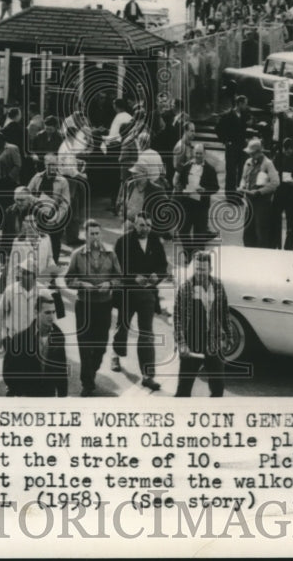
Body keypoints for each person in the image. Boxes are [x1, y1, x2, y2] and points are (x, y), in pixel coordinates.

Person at [110, 212, 169, 392]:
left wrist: (156, 276)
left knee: (147, 334)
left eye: (148, 226)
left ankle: (147, 375)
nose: (145, 229)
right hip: (127, 293)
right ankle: (116, 354)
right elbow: (116, 268)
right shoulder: (123, 242)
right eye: (142, 225)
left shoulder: (155, 241)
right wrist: (133, 277)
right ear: (135, 225)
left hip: (147, 295)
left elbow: (163, 266)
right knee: (123, 327)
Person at [65, 220, 121, 396]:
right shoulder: (77, 255)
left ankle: (92, 370)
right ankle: (87, 383)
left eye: (97, 233)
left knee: (101, 345)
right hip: (84, 305)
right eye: (92, 234)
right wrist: (81, 283)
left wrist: (109, 283)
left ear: (101, 234)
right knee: (84, 345)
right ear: (85, 235)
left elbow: (119, 278)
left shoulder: (111, 254)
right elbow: (68, 280)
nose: (95, 237)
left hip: (104, 305)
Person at [174, 251, 232, 398]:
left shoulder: (218, 285)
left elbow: (224, 312)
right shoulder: (185, 288)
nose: (199, 272)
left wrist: (229, 336)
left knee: (218, 388)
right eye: (197, 269)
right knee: (183, 390)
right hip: (192, 344)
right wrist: (181, 344)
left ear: (210, 269)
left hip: (214, 344)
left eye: (203, 269)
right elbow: (177, 319)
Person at [2, 294, 68, 398]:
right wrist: (17, 391)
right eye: (47, 313)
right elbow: (8, 371)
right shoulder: (19, 339)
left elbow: (61, 369)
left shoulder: (59, 337)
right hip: (26, 395)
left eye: (53, 312)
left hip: (48, 395)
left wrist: (62, 396)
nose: (52, 317)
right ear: (36, 313)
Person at [26, 153, 70, 263]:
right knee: (38, 241)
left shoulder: (63, 181)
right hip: (39, 214)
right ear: (45, 165)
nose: (52, 167)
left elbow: (65, 203)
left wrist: (57, 218)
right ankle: (38, 266)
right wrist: (36, 201)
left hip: (55, 216)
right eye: (49, 164)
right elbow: (27, 193)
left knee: (54, 242)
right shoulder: (37, 177)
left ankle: (53, 268)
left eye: (54, 164)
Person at [173, 143, 219, 242]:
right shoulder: (187, 166)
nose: (198, 156)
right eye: (196, 153)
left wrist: (205, 190)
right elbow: (180, 182)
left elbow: (215, 187)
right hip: (187, 205)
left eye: (200, 154)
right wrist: (181, 190)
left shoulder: (210, 169)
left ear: (204, 154)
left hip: (201, 207)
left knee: (199, 236)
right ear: (194, 153)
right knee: (183, 232)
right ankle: (189, 254)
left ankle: (197, 255)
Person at [239, 138, 278, 248]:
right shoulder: (248, 162)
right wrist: (242, 186)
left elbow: (275, 183)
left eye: (252, 154)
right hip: (249, 201)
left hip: (262, 203)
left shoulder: (268, 164)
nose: (251, 156)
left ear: (258, 152)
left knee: (261, 232)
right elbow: (243, 177)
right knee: (247, 231)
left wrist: (260, 191)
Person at [272, 136, 293, 250]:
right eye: (285, 149)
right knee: (276, 219)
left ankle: (288, 248)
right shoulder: (278, 155)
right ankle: (277, 244)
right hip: (279, 191)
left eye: (289, 149)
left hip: (291, 192)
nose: (287, 152)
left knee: (291, 222)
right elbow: (272, 170)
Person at [215, 95, 251, 200]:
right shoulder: (228, 115)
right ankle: (230, 195)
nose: (246, 106)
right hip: (232, 147)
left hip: (242, 147)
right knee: (231, 172)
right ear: (239, 103)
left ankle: (239, 195)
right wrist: (225, 141)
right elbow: (218, 128)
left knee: (242, 171)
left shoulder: (245, 115)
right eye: (245, 103)